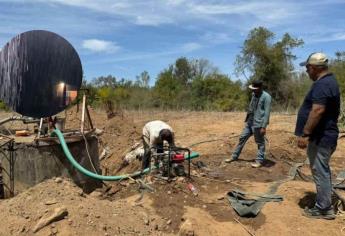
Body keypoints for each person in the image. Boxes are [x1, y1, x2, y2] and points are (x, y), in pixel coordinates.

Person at [295, 52, 340, 220]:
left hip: (321, 137)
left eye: (307, 69)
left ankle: (324, 208)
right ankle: (324, 202)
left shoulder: (323, 85)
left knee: (320, 171)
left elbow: (318, 110)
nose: (306, 72)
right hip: (323, 136)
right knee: (321, 170)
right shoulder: (327, 82)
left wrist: (305, 134)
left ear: (312, 68)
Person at [225, 80, 272, 168]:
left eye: (255, 89)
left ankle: (259, 161)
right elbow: (252, 106)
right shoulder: (253, 94)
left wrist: (264, 126)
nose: (253, 90)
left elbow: (267, 113)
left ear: (260, 88)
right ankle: (234, 156)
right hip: (250, 122)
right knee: (242, 138)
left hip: (258, 124)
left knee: (260, 142)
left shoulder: (267, 97)